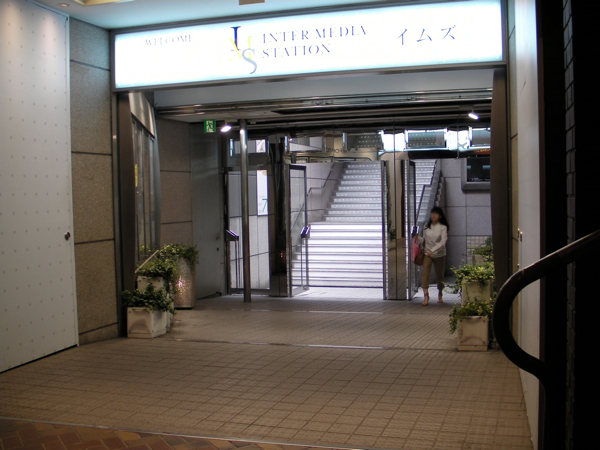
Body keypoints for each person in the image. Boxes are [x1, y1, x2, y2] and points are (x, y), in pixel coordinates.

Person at [413, 206, 449, 306]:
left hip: (439, 254)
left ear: (440, 216)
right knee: (425, 273)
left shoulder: (443, 227)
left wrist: (432, 250)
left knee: (439, 275)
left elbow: (443, 242)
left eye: (436, 213)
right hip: (427, 254)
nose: (433, 215)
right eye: (432, 213)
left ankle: (440, 293)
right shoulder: (426, 226)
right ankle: (426, 295)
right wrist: (418, 239)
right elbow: (424, 240)